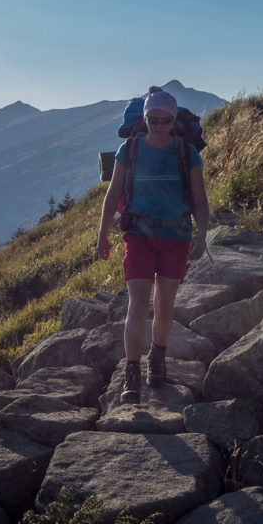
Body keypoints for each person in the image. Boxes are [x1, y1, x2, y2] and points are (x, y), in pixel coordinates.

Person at [97, 87, 210, 403]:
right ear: (144, 118)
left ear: (174, 121)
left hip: (176, 237)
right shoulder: (129, 150)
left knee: (164, 306)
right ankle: (132, 373)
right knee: (138, 304)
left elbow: (200, 201)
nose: (158, 126)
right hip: (138, 235)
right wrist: (102, 233)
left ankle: (156, 356)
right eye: (152, 119)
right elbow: (113, 193)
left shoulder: (187, 153)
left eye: (164, 120)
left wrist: (201, 235)